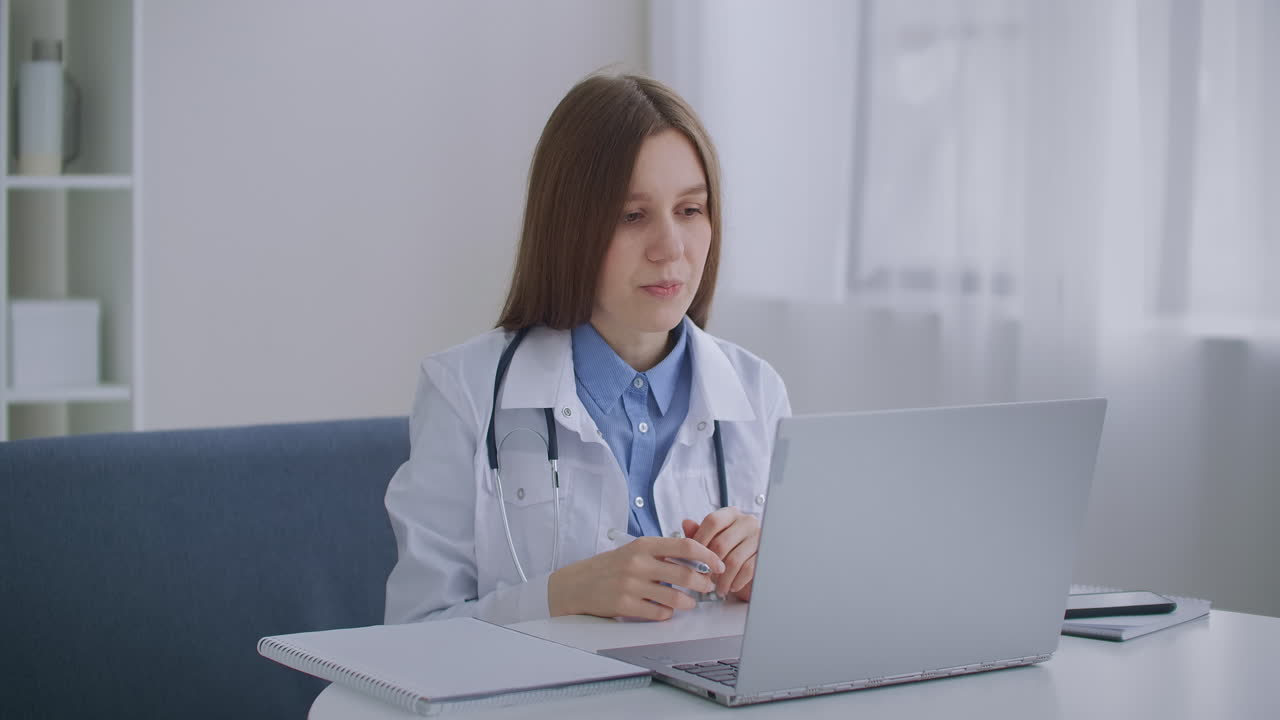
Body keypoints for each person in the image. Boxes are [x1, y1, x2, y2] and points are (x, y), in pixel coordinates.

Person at [384, 72, 790, 626]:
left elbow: (801, 633)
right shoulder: (463, 392)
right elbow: (411, 634)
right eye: (632, 215)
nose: (671, 248)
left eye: (690, 210)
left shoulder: (759, 393)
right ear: (569, 227)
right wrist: (558, 597)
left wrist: (772, 574)